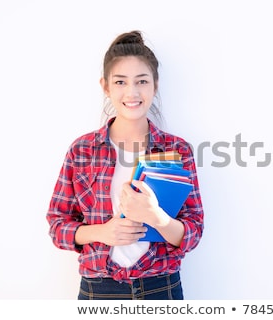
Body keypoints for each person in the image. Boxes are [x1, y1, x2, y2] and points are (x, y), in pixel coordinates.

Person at [46, 30, 204, 300]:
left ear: (155, 85)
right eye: (120, 82)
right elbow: (57, 225)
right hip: (99, 289)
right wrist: (103, 232)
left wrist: (158, 218)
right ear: (105, 86)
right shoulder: (82, 150)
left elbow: (193, 231)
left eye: (141, 81)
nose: (132, 92)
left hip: (160, 287)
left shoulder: (177, 151)